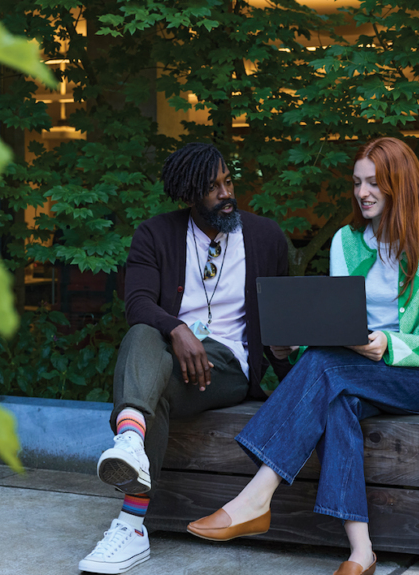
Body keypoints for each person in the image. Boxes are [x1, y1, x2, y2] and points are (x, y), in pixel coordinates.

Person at [186, 137, 419, 575]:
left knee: (323, 368)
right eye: (357, 182)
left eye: (375, 183)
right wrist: (296, 343)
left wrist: (390, 344)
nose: (362, 193)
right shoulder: (346, 241)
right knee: (333, 398)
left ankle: (254, 499)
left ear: (402, 185)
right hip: (353, 371)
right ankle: (361, 553)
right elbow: (338, 326)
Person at [78, 142, 292, 574]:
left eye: (228, 181)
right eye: (212, 187)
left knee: (147, 369)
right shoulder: (156, 235)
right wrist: (177, 329)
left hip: (229, 367)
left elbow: (284, 320)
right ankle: (132, 505)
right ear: (188, 194)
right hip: (172, 363)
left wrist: (285, 358)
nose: (226, 193)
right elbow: (137, 303)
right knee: (144, 338)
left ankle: (129, 487)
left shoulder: (266, 238)